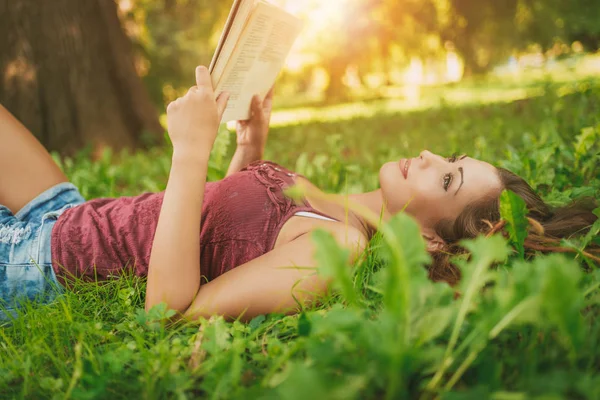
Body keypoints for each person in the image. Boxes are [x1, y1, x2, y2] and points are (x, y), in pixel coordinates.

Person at [0, 66, 597, 321]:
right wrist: (248, 149)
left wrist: (189, 154)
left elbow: (170, 310)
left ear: (436, 237)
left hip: (35, 263)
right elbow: (227, 237)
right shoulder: (335, 209)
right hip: (68, 214)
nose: (432, 157)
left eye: (446, 179)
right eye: (454, 159)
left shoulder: (338, 251)